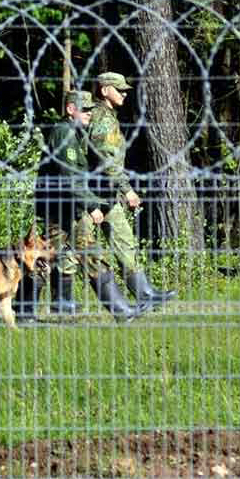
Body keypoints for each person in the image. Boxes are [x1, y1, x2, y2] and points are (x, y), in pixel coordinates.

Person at [15, 90, 145, 321]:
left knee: (54, 258)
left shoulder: (74, 134)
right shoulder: (64, 134)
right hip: (59, 212)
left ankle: (121, 311)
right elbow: (70, 177)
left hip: (67, 212)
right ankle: (25, 312)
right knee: (54, 258)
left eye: (90, 110)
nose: (88, 114)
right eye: (83, 110)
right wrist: (92, 205)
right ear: (70, 109)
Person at [86, 71, 176, 310]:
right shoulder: (102, 119)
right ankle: (39, 303)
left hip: (106, 193)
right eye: (119, 89)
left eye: (125, 89)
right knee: (74, 250)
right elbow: (107, 160)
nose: (125, 93)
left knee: (125, 241)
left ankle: (144, 292)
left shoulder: (106, 116)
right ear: (105, 90)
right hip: (93, 195)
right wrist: (127, 190)